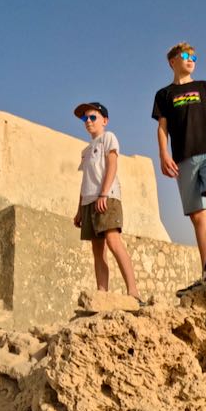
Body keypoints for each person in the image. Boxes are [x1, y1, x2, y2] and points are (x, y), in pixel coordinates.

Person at [152, 42, 206, 295]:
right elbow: (162, 127)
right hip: (183, 157)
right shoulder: (164, 94)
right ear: (172, 61)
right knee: (198, 217)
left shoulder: (204, 87)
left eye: (194, 56)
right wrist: (163, 153)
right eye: (186, 55)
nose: (191, 59)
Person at [72, 101, 143, 304]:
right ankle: (102, 294)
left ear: (104, 120)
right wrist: (79, 210)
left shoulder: (108, 138)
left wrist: (103, 194)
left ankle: (134, 291)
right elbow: (85, 179)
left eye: (92, 117)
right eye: (85, 118)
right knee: (97, 250)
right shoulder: (86, 151)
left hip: (107, 197)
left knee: (113, 241)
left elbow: (112, 165)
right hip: (89, 202)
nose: (88, 122)